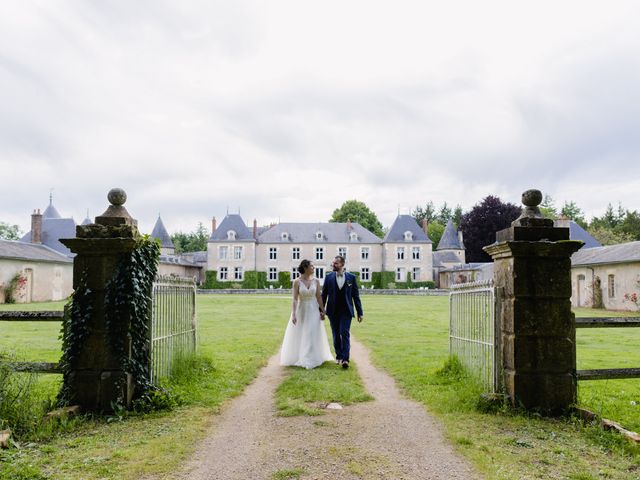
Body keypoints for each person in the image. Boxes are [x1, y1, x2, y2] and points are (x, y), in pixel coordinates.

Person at [280, 259, 334, 369]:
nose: (314, 268)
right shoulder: (297, 282)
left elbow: (319, 297)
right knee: (302, 331)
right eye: (312, 266)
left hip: (314, 309)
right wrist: (294, 313)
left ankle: (311, 356)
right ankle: (300, 356)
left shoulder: (316, 281)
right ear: (305, 268)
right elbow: (295, 299)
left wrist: (323, 310)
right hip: (302, 310)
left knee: (312, 331)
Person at [322, 255, 363, 369]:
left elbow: (356, 296)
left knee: (344, 333)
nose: (333, 265)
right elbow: (324, 295)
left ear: (342, 264)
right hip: (332, 311)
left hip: (346, 311)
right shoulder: (328, 277)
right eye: (333, 263)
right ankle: (339, 356)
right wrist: (321, 310)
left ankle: (345, 359)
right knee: (335, 334)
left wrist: (360, 312)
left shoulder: (351, 277)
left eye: (335, 263)